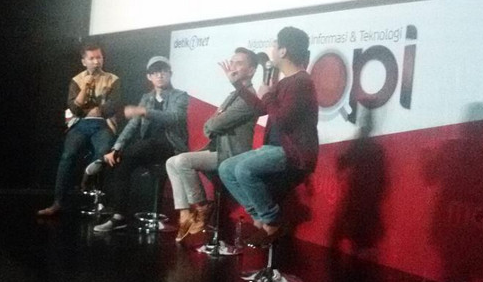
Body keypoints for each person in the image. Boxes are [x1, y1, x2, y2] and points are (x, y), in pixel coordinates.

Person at [218, 27, 319, 245]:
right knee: (226, 168)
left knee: (244, 170)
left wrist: (268, 95)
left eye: (274, 45)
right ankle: (261, 217)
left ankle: (273, 221)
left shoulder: (301, 82)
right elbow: (261, 109)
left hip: (293, 153)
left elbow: (282, 120)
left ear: (283, 51)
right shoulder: (285, 82)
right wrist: (238, 85)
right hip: (274, 148)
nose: (272, 49)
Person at [166, 47, 260, 242]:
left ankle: (202, 207)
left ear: (251, 70)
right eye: (232, 62)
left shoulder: (248, 99)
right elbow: (213, 123)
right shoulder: (233, 95)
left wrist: (212, 124)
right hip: (218, 150)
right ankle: (184, 213)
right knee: (171, 162)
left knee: (182, 161)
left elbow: (213, 124)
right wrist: (212, 124)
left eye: (239, 63)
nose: (233, 66)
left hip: (231, 155)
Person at [88, 56, 189, 232]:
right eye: (155, 72)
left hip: (171, 146)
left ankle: (101, 161)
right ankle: (119, 216)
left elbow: (174, 117)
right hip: (146, 149)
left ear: (170, 74)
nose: (159, 75)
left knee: (146, 144)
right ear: (149, 77)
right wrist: (116, 148)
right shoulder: (147, 97)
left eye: (163, 71)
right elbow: (133, 125)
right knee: (120, 163)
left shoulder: (180, 96)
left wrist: (144, 111)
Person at [38, 44, 121, 216]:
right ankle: (58, 202)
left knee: (103, 152)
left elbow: (113, 105)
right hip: (81, 123)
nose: (96, 61)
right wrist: (86, 86)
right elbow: (75, 109)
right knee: (67, 156)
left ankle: (98, 198)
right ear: (84, 61)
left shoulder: (113, 79)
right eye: (92, 58)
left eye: (99, 57)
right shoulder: (77, 80)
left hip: (103, 123)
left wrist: (96, 110)